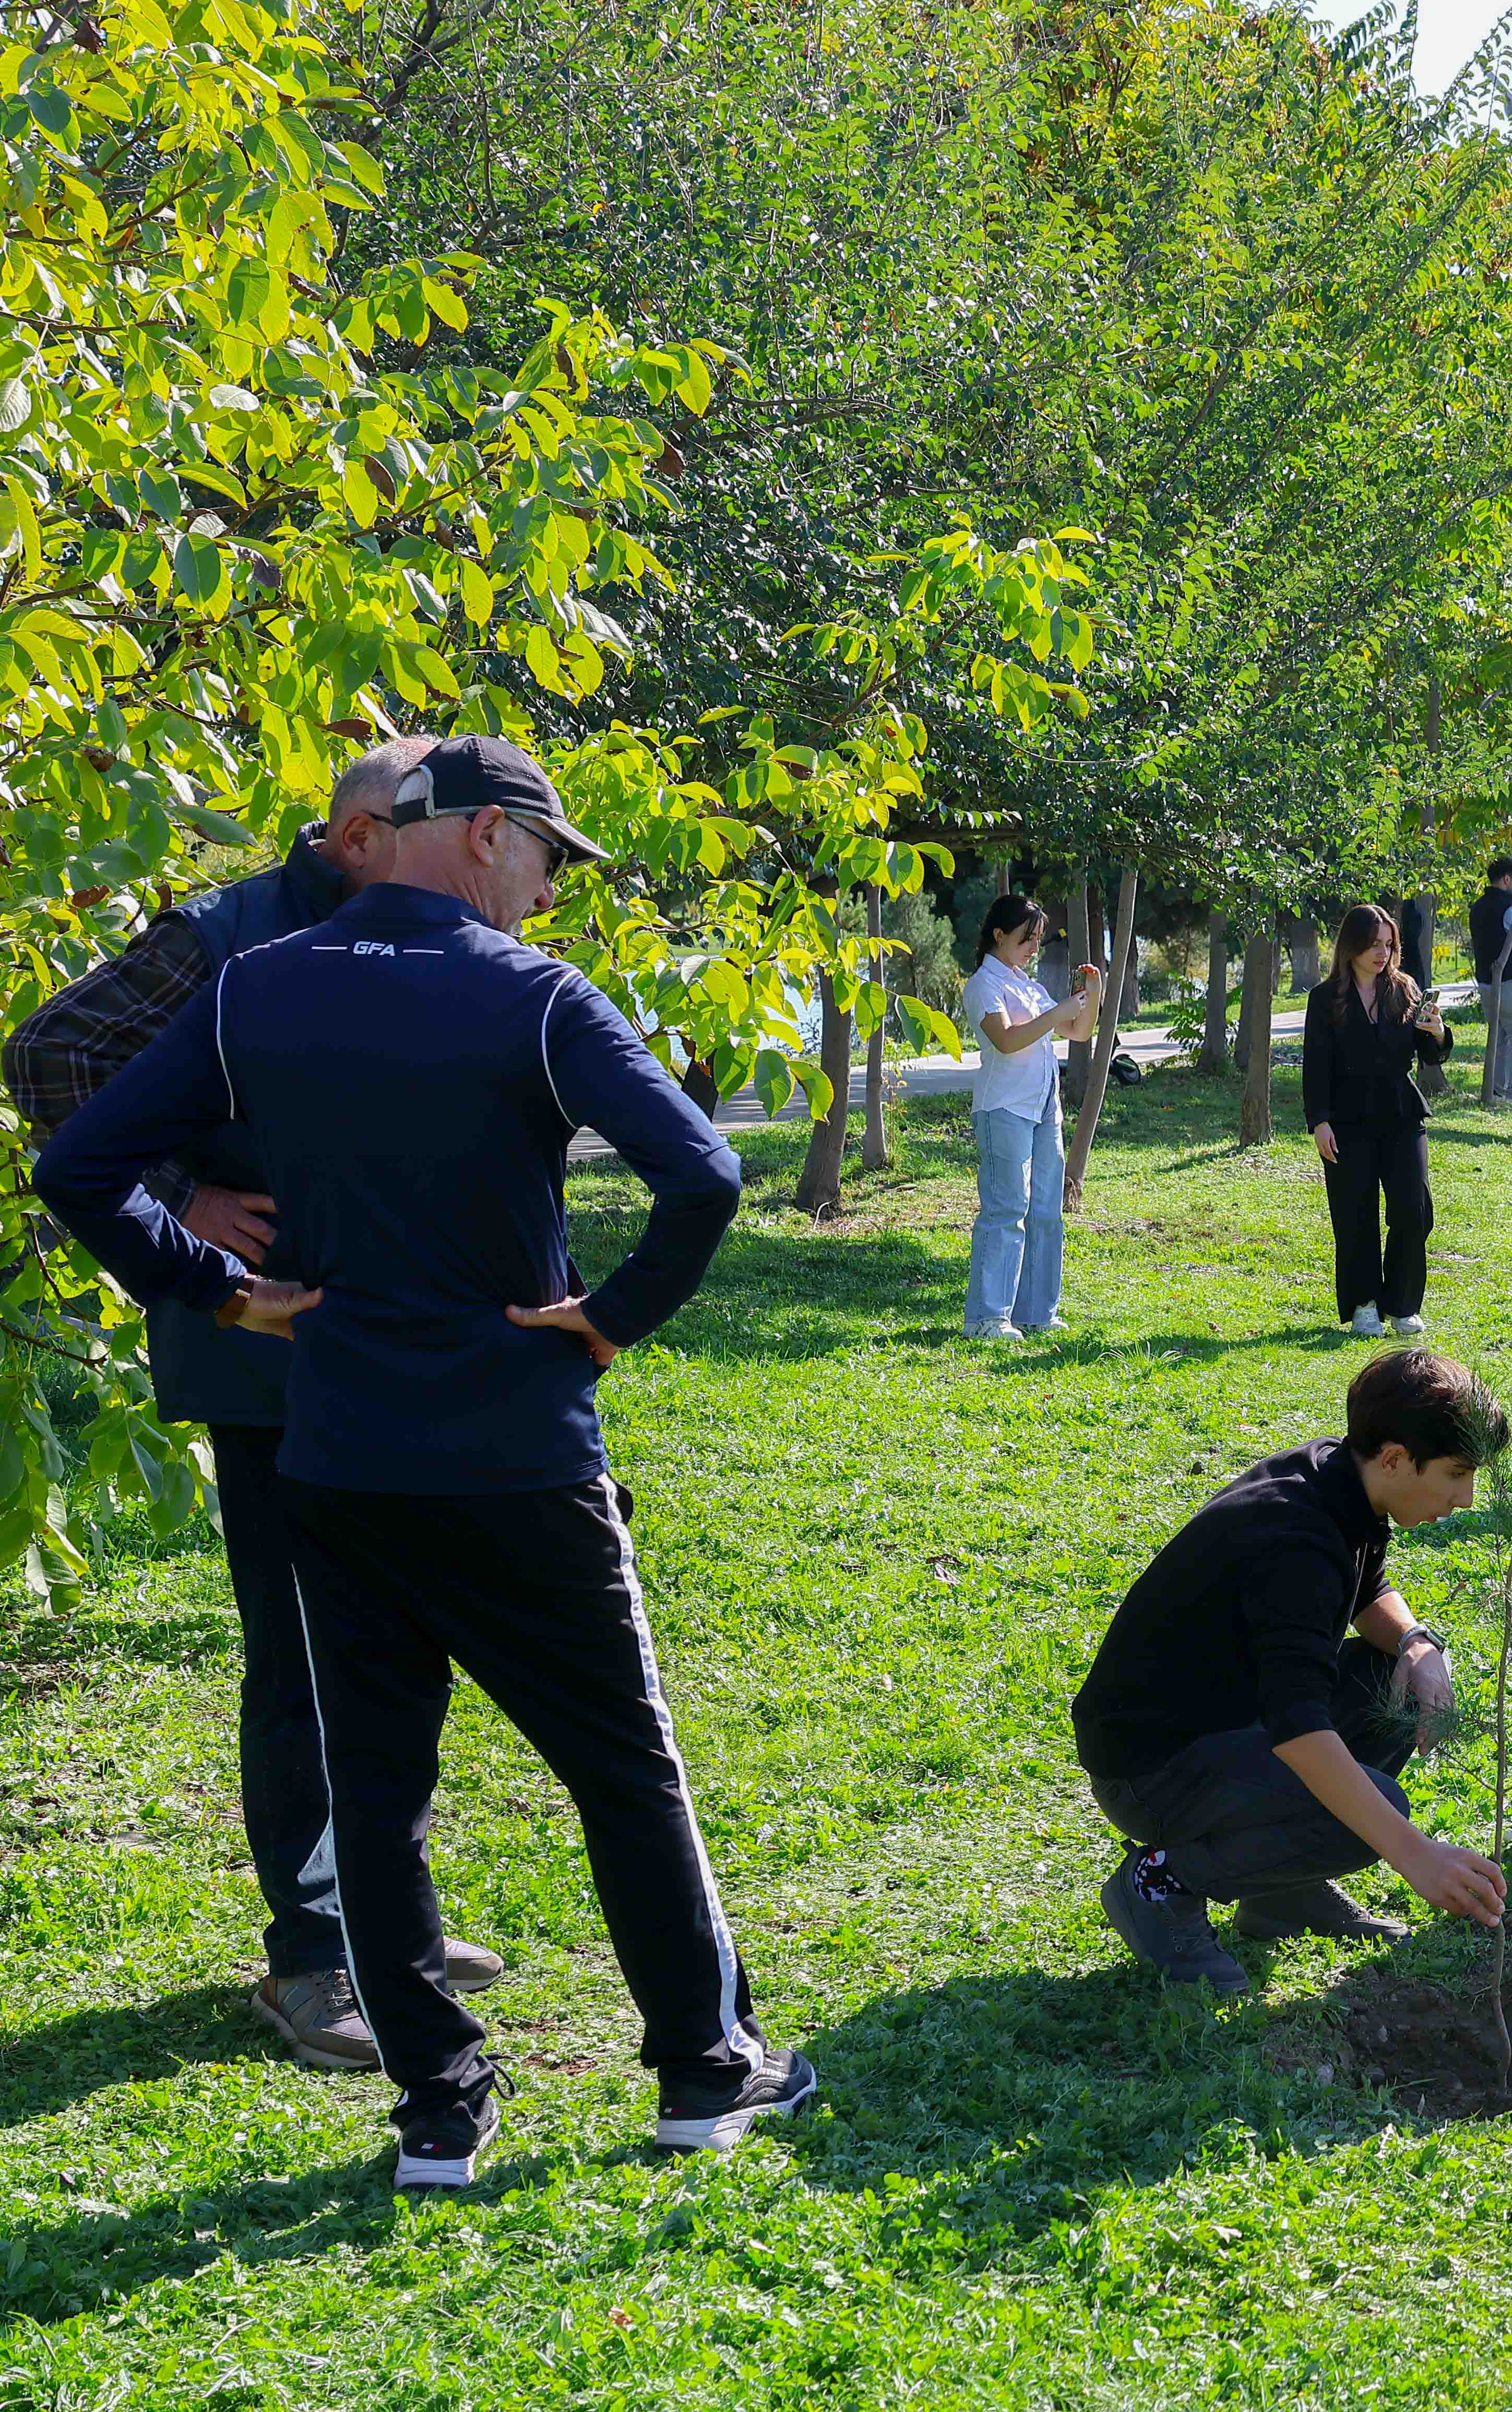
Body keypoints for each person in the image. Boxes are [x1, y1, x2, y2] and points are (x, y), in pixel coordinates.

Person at [34, 734, 804, 2192]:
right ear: (481, 833)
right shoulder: (538, 999)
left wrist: (213, 1286)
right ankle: (708, 2069)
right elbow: (704, 1173)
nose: (549, 891)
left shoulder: (257, 989)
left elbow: (76, 1163)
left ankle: (438, 2113)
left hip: (336, 1457)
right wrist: (612, 1317)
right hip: (521, 1461)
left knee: (374, 1790)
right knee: (624, 1766)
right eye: (546, 855)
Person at [2, 735, 517, 2074]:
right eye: (430, 827)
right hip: (269, 1355)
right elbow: (50, 1055)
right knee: (302, 1654)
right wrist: (180, 1200)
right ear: (355, 835)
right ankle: (310, 1957)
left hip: (394, 1350)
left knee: (396, 1641)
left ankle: (382, 1915)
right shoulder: (223, 935)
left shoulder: (408, 925)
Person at [1077, 1350, 1510, 1991]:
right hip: (1152, 1767)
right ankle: (1161, 1882)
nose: (1465, 1497)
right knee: (1371, 1816)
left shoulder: (1342, 1475)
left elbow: (1368, 1590)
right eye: (1457, 1473)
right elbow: (1299, 1731)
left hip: (1227, 1722)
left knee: (1388, 1680)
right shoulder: (1296, 1544)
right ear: (1395, 1458)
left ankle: (1282, 1891)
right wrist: (1415, 1854)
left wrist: (1416, 1643)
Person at [1301, 903, 1451, 1338]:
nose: (1382, 953)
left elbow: (1430, 1053)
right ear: (1352, 946)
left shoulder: (1406, 990)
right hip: (1346, 1119)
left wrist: (1439, 1033)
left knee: (1413, 1208)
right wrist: (1320, 1121)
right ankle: (1364, 1305)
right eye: (1373, 944)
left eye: (1388, 944)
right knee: (1355, 1214)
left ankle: (1403, 1305)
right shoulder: (1325, 999)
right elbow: (1315, 1066)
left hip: (1401, 1113)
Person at [959, 895, 1102, 1338]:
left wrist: (1092, 995)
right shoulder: (983, 985)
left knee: (1045, 1210)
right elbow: (1005, 1040)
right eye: (1027, 939)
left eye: (1039, 939)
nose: (1034, 948)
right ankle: (986, 1318)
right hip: (1004, 1107)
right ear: (999, 935)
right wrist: (1058, 1011)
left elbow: (1079, 1031)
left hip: (1044, 1108)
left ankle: (1037, 1314)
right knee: (1007, 1208)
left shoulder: (1029, 987)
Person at [1468, 857, 1512, 1107]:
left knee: (1499, 1036)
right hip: (1508, 983)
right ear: (1507, 879)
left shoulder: (1477, 908)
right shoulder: (1508, 911)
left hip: (1485, 983)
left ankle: (1495, 1090)